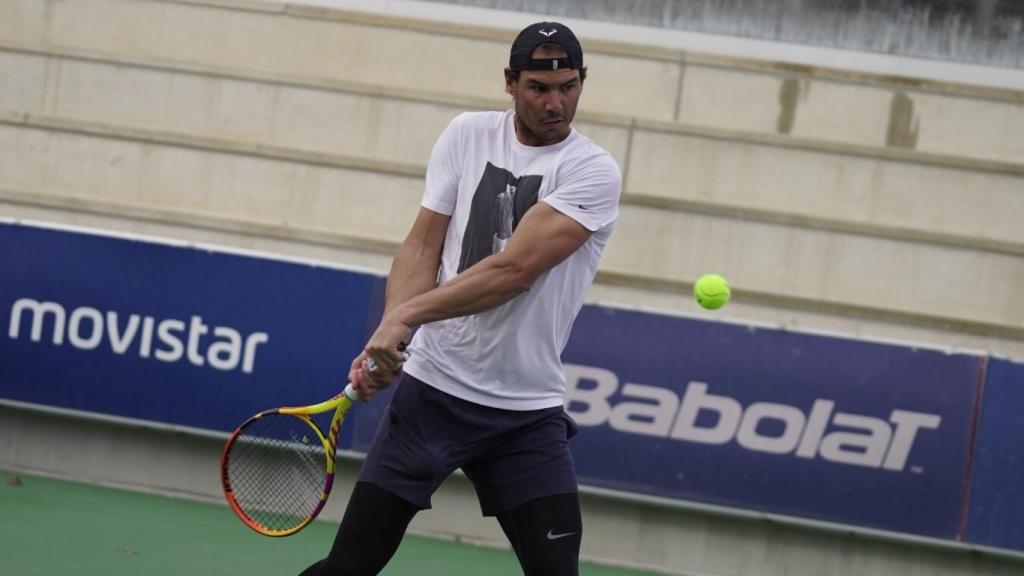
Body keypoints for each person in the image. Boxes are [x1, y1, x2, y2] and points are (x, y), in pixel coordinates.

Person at [301, 21, 621, 576]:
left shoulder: (592, 170)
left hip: (524, 414)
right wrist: (393, 337)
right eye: (539, 89)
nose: (556, 103)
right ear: (510, 83)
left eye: (569, 86)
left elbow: (514, 271)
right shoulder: (466, 134)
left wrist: (404, 313)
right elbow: (423, 244)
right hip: (431, 398)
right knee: (349, 566)